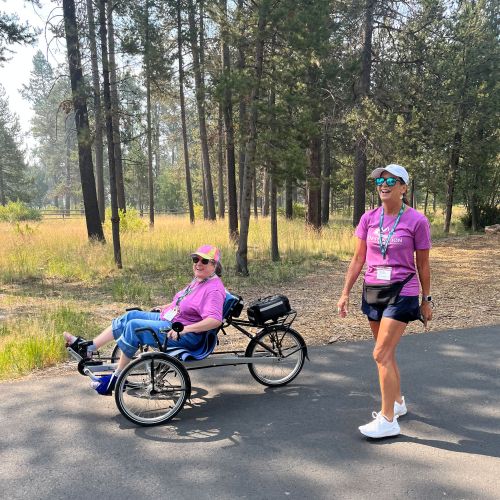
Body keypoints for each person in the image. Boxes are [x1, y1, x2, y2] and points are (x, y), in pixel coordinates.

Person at [337, 164, 432, 439]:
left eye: (391, 179)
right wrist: (345, 292)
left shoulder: (417, 221)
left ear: (404, 187)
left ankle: (388, 418)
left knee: (380, 353)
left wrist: (426, 300)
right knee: (386, 354)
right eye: (380, 179)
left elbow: (423, 264)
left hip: (402, 291)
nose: (383, 183)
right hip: (373, 291)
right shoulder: (369, 218)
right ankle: (398, 403)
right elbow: (358, 259)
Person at [64, 245, 226, 395]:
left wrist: (185, 330)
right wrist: (165, 307)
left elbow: (214, 320)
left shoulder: (213, 289)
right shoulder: (200, 279)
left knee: (135, 327)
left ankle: (116, 379)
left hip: (184, 333)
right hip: (173, 320)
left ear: (214, 265)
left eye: (204, 261)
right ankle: (89, 348)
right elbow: (183, 301)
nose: (198, 263)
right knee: (130, 316)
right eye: (195, 259)